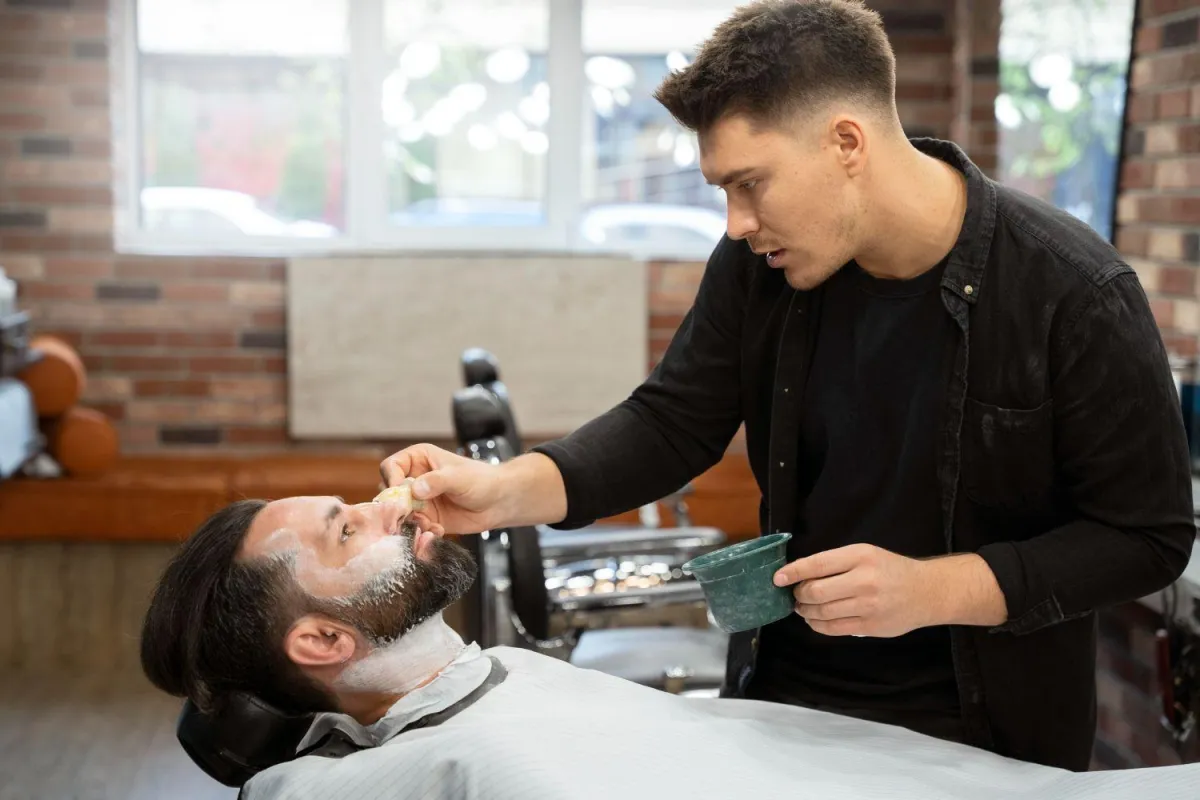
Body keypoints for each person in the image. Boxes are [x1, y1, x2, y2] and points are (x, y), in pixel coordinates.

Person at [377, 0, 1197, 772]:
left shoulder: (1073, 291)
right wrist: (498, 492)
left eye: (749, 183)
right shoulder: (760, 269)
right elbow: (670, 423)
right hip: (783, 701)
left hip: (987, 735)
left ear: (846, 142)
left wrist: (931, 588)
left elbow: (1147, 536)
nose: (735, 223)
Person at [138, 493, 1200, 800]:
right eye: (345, 531)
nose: (383, 505)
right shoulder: (449, 761)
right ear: (321, 635)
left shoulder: (497, 683)